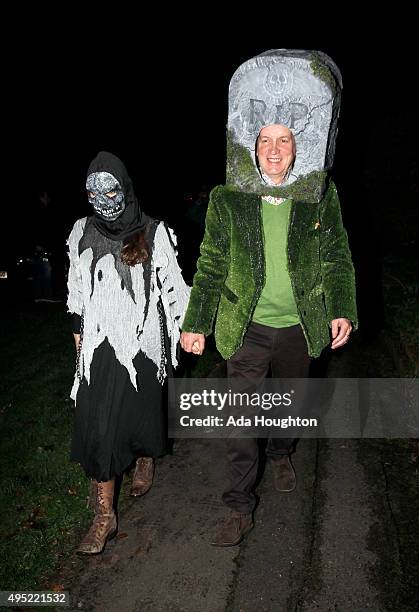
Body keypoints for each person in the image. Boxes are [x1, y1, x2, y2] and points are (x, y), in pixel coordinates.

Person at [180, 50, 357, 546]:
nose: (274, 150)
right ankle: (238, 505)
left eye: (285, 140)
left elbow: (337, 257)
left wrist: (342, 307)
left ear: (300, 148)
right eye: (265, 140)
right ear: (251, 145)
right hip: (248, 327)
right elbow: (211, 263)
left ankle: (281, 452)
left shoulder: (321, 195)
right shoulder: (226, 198)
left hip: (301, 327)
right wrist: (197, 322)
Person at [67, 151, 190, 555]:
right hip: (99, 343)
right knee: (99, 423)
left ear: (126, 188)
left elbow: (174, 287)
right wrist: (76, 333)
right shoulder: (82, 231)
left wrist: (188, 330)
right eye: (93, 190)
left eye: (111, 188)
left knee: (139, 414)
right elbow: (75, 288)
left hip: (143, 344)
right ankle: (105, 515)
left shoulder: (154, 232)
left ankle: (145, 457)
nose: (103, 198)